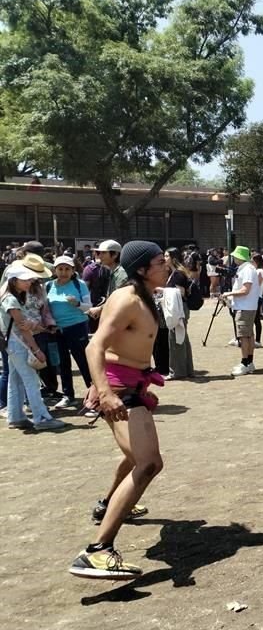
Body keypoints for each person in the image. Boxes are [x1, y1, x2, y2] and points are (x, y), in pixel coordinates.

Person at [70, 241, 169, 580]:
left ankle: (107, 504)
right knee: (149, 463)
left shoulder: (144, 297)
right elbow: (94, 345)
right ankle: (97, 550)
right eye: (160, 261)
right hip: (120, 390)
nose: (166, 264)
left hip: (132, 386)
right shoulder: (128, 299)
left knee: (133, 456)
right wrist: (105, 391)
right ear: (142, 269)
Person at [1, 264, 66, 430]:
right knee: (31, 381)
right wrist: (36, 350)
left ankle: (16, 416)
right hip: (19, 343)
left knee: (15, 380)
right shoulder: (12, 299)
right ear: (14, 281)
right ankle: (42, 418)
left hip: (12, 343)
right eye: (25, 280)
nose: (29, 282)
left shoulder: (7, 296)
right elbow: (23, 328)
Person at [46, 255, 94, 409]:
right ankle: (68, 396)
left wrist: (77, 303)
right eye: (60, 269)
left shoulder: (79, 285)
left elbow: (89, 307)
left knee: (83, 361)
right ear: (55, 270)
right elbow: (44, 309)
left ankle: (94, 393)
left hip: (77, 327)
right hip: (57, 330)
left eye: (67, 269)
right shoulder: (48, 286)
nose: (63, 272)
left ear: (73, 270)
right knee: (63, 363)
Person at [221, 246, 260, 377]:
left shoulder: (247, 269)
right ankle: (248, 362)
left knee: (244, 336)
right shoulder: (246, 268)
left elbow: (245, 290)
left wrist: (229, 293)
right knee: (248, 335)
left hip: (245, 307)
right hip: (245, 306)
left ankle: (245, 362)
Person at [162, 248, 195, 380]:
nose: (164, 259)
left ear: (173, 258)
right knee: (182, 338)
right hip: (180, 308)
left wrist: (162, 290)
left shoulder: (178, 274)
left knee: (176, 339)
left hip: (178, 309)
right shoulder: (177, 273)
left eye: (166, 256)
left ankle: (177, 371)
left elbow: (181, 293)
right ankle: (187, 369)